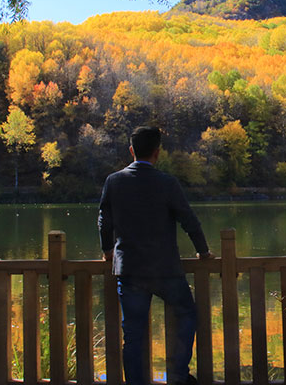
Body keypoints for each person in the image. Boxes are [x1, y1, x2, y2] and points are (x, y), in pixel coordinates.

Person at [98, 126, 213, 385]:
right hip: (165, 270)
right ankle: (178, 375)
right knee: (187, 313)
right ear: (157, 152)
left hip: (130, 270)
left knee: (133, 335)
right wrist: (203, 250)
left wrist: (107, 250)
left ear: (131, 150)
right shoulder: (167, 183)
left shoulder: (114, 181)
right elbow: (189, 220)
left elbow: (104, 219)